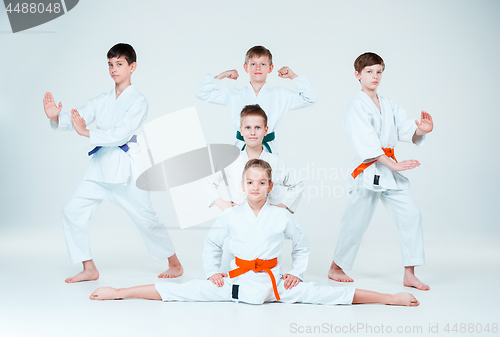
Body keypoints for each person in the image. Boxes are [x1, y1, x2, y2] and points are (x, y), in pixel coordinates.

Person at [90, 159, 419, 307]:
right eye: (250, 182)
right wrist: (214, 274)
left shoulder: (282, 215)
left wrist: (297, 275)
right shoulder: (231, 215)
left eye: (262, 183)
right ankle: (120, 292)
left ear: (270, 187)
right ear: (242, 185)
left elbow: (302, 248)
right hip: (235, 283)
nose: (256, 187)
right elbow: (212, 244)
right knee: (182, 291)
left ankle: (389, 298)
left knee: (326, 295)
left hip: (275, 283)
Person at [43, 43, 183, 283]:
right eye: (110, 64)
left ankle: (174, 263)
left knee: (146, 217)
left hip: (127, 170)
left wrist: (87, 133)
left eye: (119, 64)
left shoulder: (138, 101)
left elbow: (121, 132)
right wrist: (56, 116)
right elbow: (81, 115)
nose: (113, 69)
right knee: (71, 210)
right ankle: (89, 268)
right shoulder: (103, 100)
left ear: (132, 67)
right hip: (99, 167)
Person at [328, 52, 433, 291]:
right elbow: (366, 142)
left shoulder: (388, 104)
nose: (375, 76)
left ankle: (410, 272)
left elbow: (406, 129)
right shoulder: (356, 105)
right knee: (356, 221)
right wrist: (394, 164)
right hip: (369, 170)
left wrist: (422, 130)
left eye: (378, 72)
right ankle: (335, 267)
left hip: (389, 171)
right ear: (358, 75)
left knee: (411, 215)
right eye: (369, 72)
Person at [196, 45, 316, 153]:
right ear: (246, 67)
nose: (258, 68)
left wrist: (293, 77)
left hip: (267, 150)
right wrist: (222, 75)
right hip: (241, 149)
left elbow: (309, 98)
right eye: (253, 64)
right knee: (241, 177)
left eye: (263, 64)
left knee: (267, 177)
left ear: (270, 68)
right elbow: (202, 93)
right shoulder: (233, 93)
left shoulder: (279, 94)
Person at [203, 104, 303, 213]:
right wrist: (222, 204)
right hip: (239, 219)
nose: (253, 133)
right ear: (241, 130)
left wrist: (283, 206)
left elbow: (297, 183)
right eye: (248, 127)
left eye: (258, 127)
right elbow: (208, 182)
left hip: (268, 221)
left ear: (265, 130)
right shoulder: (232, 160)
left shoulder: (275, 162)